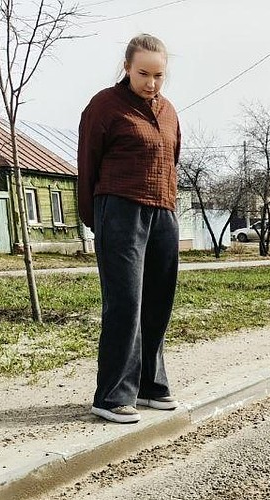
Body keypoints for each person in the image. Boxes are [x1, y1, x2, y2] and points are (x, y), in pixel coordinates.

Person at [78, 34, 182, 424]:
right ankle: (111, 395)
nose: (151, 83)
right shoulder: (104, 106)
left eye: (158, 75)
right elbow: (87, 164)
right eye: (143, 74)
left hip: (163, 212)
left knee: (158, 302)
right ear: (126, 67)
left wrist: (168, 207)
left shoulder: (169, 111)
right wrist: (94, 219)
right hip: (119, 210)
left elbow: (172, 161)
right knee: (125, 303)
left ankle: (150, 385)